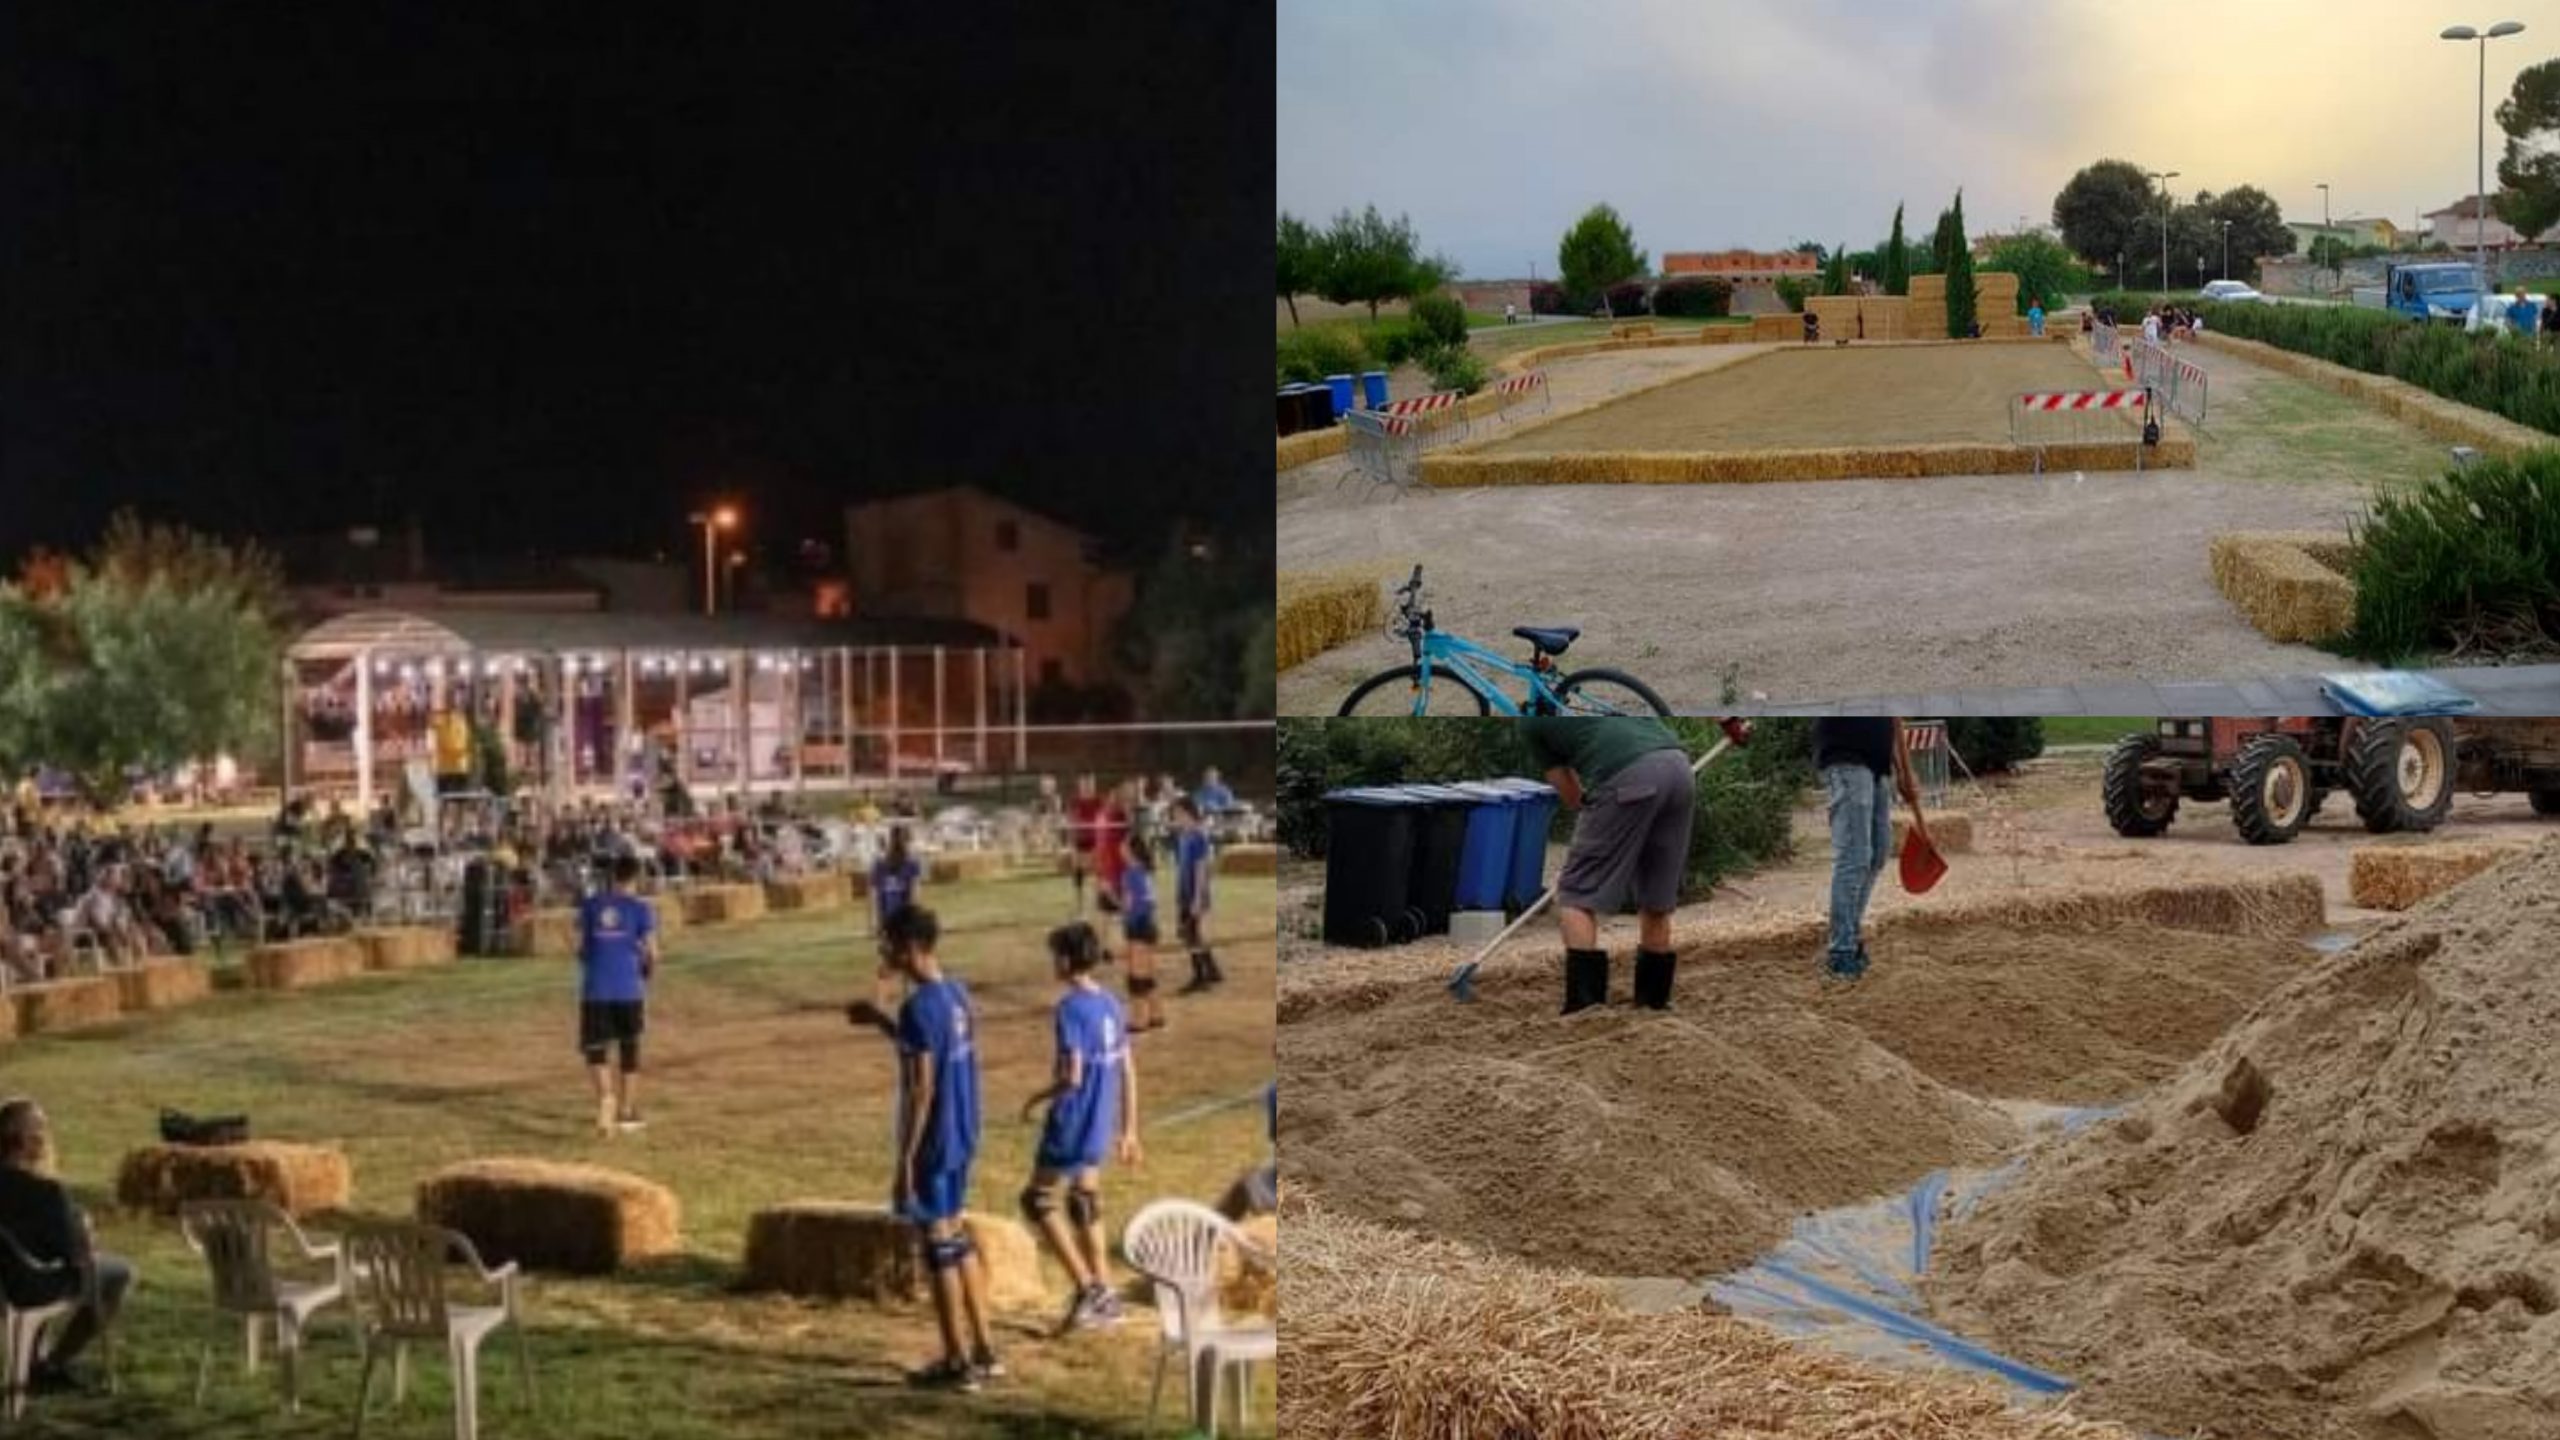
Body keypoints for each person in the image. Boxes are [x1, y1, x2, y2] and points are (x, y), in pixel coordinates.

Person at [847, 906, 1001, 1391]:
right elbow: (932, 1051)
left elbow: (922, 1087)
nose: (885, 953)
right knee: (957, 1234)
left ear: (909, 947)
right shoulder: (955, 993)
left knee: (939, 1246)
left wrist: (907, 1158)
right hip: (964, 1129)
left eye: (889, 944)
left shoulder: (918, 1008)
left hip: (934, 1138)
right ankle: (986, 1348)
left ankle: (957, 1362)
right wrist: (881, 1022)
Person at [1521, 717, 1746, 1013]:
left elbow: (1572, 793)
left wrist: (1594, 832)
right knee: (1656, 896)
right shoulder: (1597, 690)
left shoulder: (1531, 722)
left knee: (1576, 893)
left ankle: (1586, 1007)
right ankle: (1653, 1002)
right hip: (1677, 769)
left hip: (1629, 778)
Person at [1017, 921, 1141, 1334]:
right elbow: (1127, 1069)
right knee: (1084, 1200)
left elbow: (1071, 1076)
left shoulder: (1069, 1008)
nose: (1052, 962)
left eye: (1055, 955)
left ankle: (1089, 1289)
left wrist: (1036, 1099)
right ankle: (1105, 1295)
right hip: (1099, 1119)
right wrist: (1128, 1130)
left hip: (1071, 1118)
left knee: (1037, 1199)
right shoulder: (1110, 1003)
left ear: (1067, 960)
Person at [0, 1098, 135, 1395]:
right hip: (33, 1286)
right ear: (24, 1139)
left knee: (36, 1263)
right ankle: (54, 1364)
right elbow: (76, 1256)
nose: (46, 1134)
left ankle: (35, 1361)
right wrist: (85, 1232)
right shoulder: (46, 1191)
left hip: (7, 1284)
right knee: (120, 1272)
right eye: (40, 1127)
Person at [1813, 718, 1922, 982]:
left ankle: (1849, 936)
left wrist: (1904, 771)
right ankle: (1841, 953)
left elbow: (1894, 719)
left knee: (1878, 852)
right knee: (1854, 856)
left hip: (1876, 763)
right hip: (1845, 756)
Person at [577, 855, 660, 1135]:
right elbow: (653, 953)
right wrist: (647, 972)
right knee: (629, 1047)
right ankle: (626, 1112)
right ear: (636, 878)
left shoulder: (590, 905)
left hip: (596, 988)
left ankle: (605, 1097)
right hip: (628, 987)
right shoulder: (640, 909)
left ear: (612, 876)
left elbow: (579, 946)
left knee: (596, 1048)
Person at [1171, 798, 1223, 994]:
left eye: (1178, 813)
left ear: (1188, 812)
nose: (1175, 817)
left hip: (1195, 892)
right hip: (1184, 890)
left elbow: (1202, 869)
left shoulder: (1199, 835)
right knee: (1193, 933)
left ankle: (1200, 978)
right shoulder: (1184, 835)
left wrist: (1197, 898)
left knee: (1191, 934)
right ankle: (1212, 970)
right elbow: (1183, 867)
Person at [868, 826, 923, 1011]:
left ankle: (879, 1006)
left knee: (888, 966)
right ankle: (911, 1004)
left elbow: (873, 897)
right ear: (907, 842)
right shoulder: (911, 865)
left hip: (888, 922)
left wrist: (874, 922)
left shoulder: (879, 866)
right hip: (904, 922)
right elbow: (914, 898)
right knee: (911, 964)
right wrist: (915, 922)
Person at [1118, 835, 1164, 1030]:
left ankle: (1139, 1020)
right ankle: (1157, 1015)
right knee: (1147, 975)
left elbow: (1127, 906)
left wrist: (1110, 895)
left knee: (1135, 977)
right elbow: (1150, 901)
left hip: (1137, 926)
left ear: (1132, 851)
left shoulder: (1129, 874)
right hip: (1149, 925)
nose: (1121, 849)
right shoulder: (1145, 871)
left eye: (1124, 846)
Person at [1065, 774, 1104, 915]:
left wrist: (1099, 845)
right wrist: (1071, 845)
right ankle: (1080, 906)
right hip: (1079, 841)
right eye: (1084, 784)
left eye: (1089, 784)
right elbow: (1070, 823)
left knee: (1098, 873)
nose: (1087, 787)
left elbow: (1104, 821)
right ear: (1080, 785)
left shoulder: (1099, 801)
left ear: (1093, 785)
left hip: (1096, 841)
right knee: (1078, 875)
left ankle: (1099, 904)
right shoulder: (1074, 802)